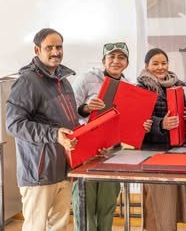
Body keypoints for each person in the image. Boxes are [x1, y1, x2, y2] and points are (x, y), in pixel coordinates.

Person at [6, 28, 79, 230]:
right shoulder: (27, 82)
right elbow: (14, 124)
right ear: (37, 50)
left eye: (59, 47)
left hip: (63, 169)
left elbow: (68, 122)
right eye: (50, 47)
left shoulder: (63, 81)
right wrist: (54, 134)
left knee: (59, 225)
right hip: (38, 173)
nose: (56, 52)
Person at [71, 42, 131, 231]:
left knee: (107, 206)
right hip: (86, 152)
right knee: (85, 205)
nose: (116, 61)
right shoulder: (86, 79)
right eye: (111, 57)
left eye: (121, 57)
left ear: (127, 62)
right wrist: (87, 108)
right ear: (103, 60)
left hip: (112, 153)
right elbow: (68, 111)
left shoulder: (129, 86)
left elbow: (126, 121)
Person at [137, 48, 186, 231]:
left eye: (163, 63)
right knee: (155, 205)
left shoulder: (177, 86)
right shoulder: (141, 87)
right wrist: (161, 124)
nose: (160, 67)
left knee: (169, 206)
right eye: (155, 63)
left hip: (175, 151)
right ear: (146, 66)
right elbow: (139, 119)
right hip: (152, 152)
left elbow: (183, 116)